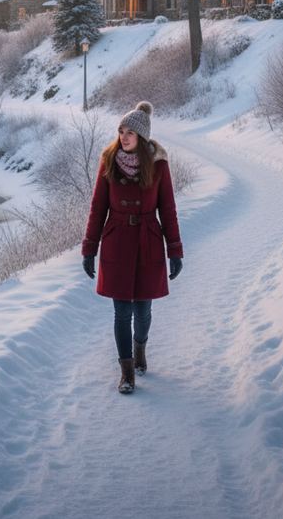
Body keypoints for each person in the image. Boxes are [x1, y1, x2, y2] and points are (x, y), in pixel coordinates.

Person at [81, 100, 183, 394]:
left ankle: (140, 349)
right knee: (121, 311)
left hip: (148, 242)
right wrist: (90, 248)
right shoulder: (108, 161)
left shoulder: (159, 165)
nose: (123, 136)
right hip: (116, 243)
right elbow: (97, 207)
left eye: (130, 132)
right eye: (121, 130)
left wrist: (174, 250)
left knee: (143, 311)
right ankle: (127, 373)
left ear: (142, 137)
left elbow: (169, 209)